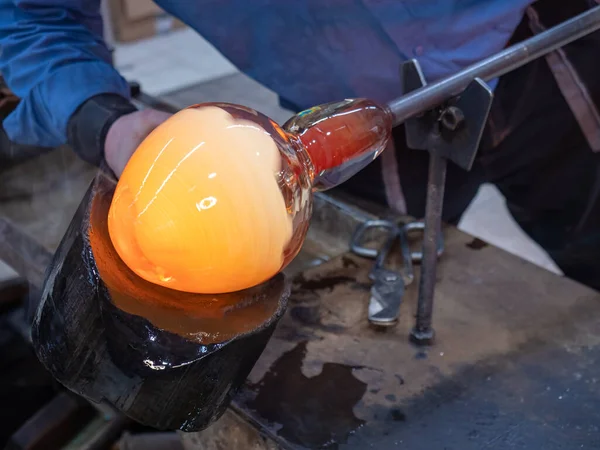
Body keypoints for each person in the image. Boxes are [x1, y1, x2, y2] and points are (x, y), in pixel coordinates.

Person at [0, 0, 599, 290]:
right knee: (381, 298)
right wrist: (105, 120)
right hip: (342, 115)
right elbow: (31, 15)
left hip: (540, 37)